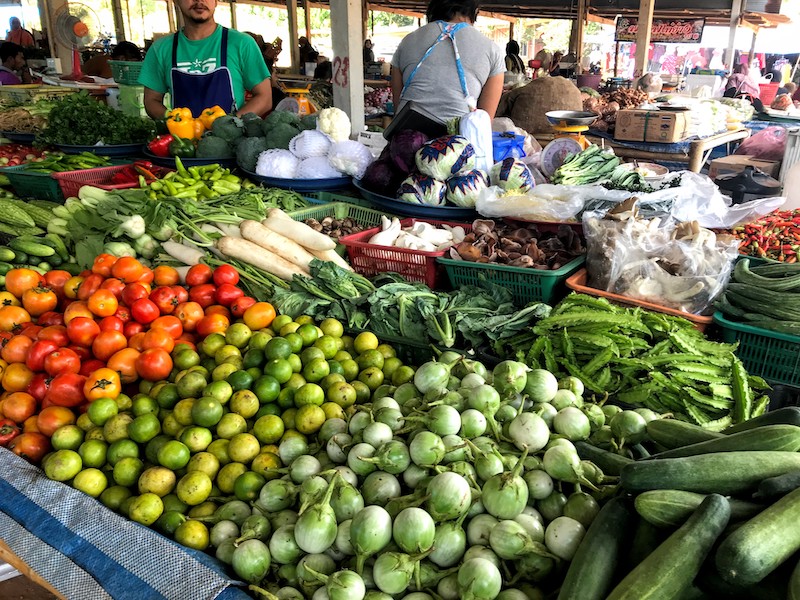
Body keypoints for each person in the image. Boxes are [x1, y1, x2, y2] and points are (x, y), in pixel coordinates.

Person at [139, 0, 272, 119]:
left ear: (216, 1)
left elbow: (264, 98)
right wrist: (174, 120)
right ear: (175, 1)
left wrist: (231, 124)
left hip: (232, 141)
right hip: (184, 143)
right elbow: (152, 101)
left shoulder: (242, 44)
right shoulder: (161, 49)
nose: (199, 1)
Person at [391, 0, 505, 124]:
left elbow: (399, 106)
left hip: (406, 136)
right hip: (458, 141)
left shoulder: (407, 42)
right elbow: (483, 123)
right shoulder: (491, 49)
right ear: (475, 11)